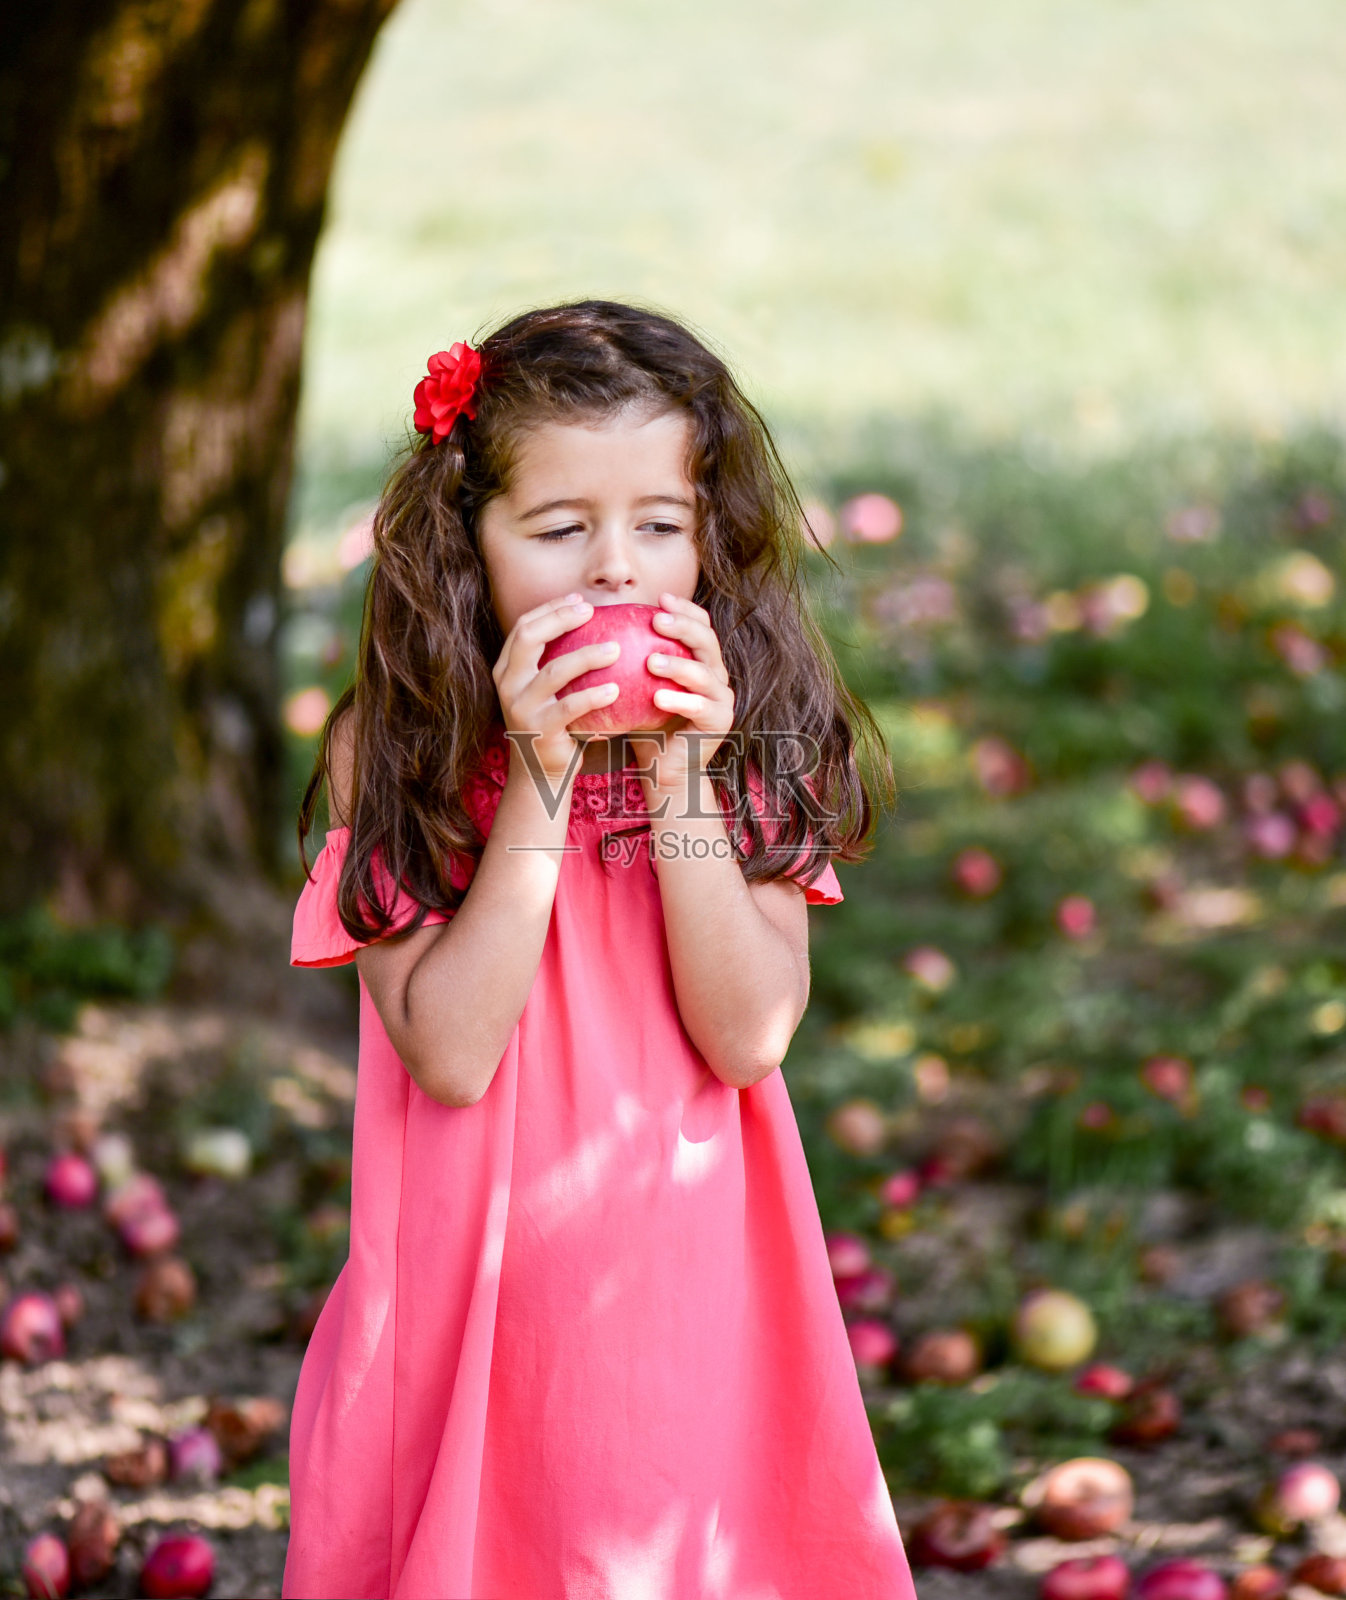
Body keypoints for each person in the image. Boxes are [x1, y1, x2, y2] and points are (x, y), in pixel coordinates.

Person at [282, 300, 917, 1600]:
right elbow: (452, 1053)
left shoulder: (742, 743)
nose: (616, 572)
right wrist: (538, 775)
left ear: (712, 537)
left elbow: (747, 1035)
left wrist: (682, 778)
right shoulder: (398, 751)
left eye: (661, 526)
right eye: (561, 529)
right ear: (469, 542)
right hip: (473, 1296)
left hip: (678, 1297)